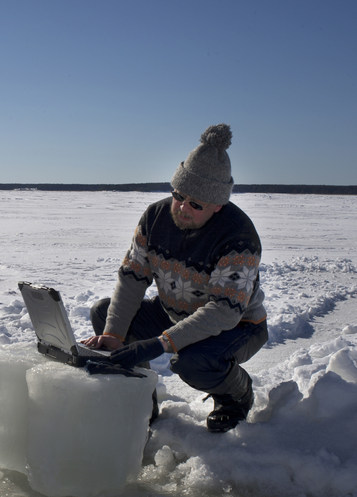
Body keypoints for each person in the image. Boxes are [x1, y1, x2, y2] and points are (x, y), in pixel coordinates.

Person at [83, 124, 268, 434]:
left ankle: (236, 395)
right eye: (178, 195)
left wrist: (159, 344)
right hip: (174, 311)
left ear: (218, 205)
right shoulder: (154, 218)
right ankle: (141, 400)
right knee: (104, 315)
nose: (183, 208)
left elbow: (223, 311)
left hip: (238, 326)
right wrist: (114, 334)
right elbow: (132, 278)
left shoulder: (238, 236)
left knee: (191, 362)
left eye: (196, 204)